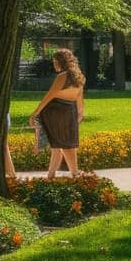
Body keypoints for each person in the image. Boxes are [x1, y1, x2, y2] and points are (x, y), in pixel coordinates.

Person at [29, 48, 86, 179]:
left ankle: (75, 173)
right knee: (59, 144)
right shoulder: (79, 76)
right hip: (70, 111)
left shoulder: (62, 76)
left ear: (61, 62)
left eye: (55, 61)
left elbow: (49, 96)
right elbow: (79, 98)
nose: (54, 64)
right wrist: (79, 114)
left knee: (64, 144)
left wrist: (35, 113)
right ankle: (51, 175)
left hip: (57, 111)